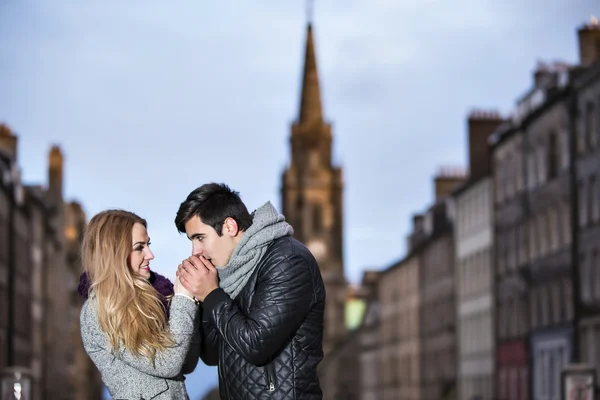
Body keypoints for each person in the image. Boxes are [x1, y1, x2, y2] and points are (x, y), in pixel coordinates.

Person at [175, 183, 326, 399]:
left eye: (200, 238)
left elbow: (256, 345)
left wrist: (211, 294)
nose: (195, 251)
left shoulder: (288, 259)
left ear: (229, 227)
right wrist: (197, 298)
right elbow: (212, 354)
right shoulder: (228, 273)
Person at [79, 209, 201, 400]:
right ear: (115, 252)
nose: (150, 254)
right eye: (139, 247)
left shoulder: (152, 296)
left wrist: (193, 302)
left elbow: (187, 363)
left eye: (148, 244)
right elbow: (168, 364)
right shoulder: (99, 311)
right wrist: (183, 300)